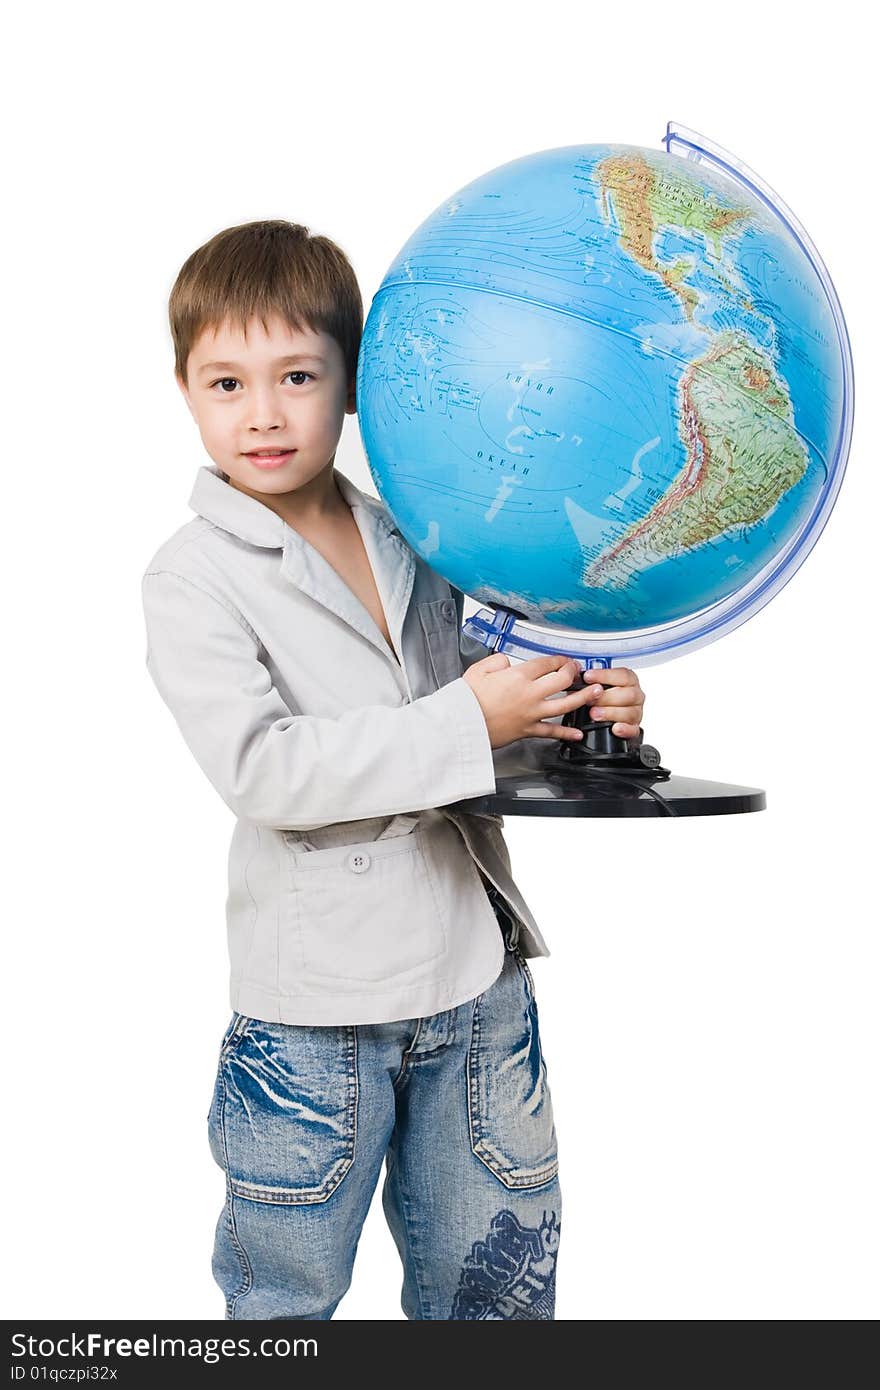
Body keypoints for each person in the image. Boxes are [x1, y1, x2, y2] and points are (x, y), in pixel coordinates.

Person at [141, 220, 646, 1321]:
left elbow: (465, 703)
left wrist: (573, 709)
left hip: (476, 986)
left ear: (355, 385)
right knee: (284, 1306)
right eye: (227, 381)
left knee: (498, 1294)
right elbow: (268, 773)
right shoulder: (192, 578)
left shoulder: (409, 533)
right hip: (317, 1021)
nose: (263, 412)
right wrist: (471, 712)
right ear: (184, 389)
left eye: (299, 376)